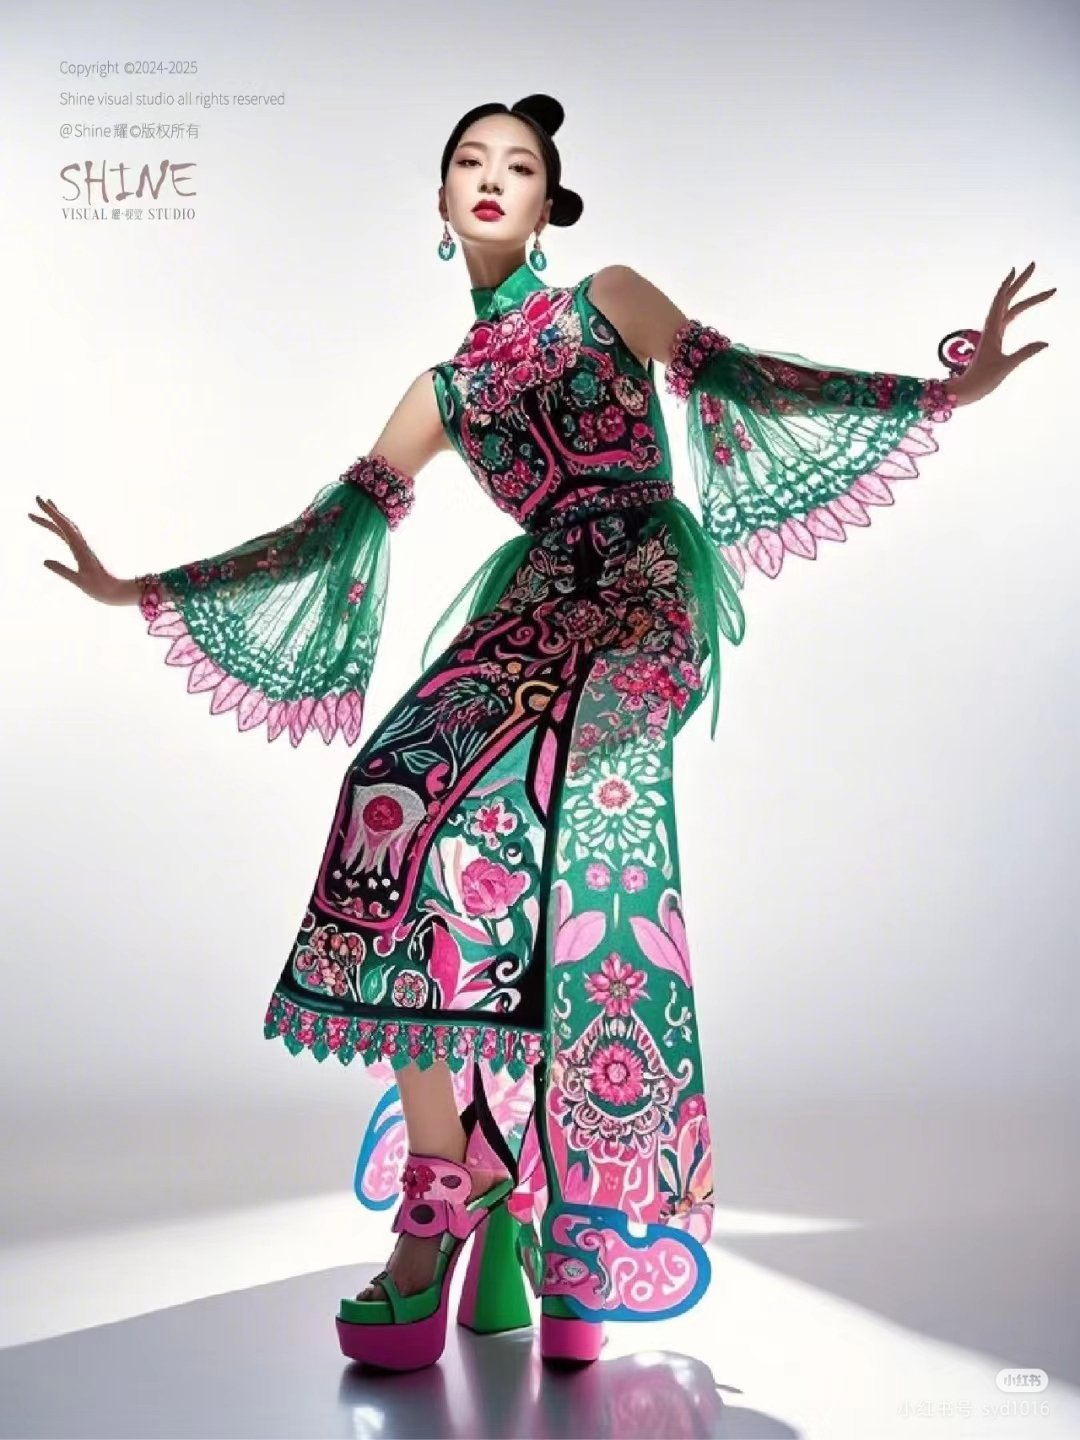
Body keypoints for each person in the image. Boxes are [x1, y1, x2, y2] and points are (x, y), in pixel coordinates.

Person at [31, 92, 1053, 1373]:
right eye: (470, 161)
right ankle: (457, 1185)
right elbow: (328, 534)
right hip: (531, 608)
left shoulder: (605, 298)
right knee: (394, 794)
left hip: (639, 595)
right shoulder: (444, 389)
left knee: (588, 867)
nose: (493, 177)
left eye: (519, 164)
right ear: (441, 200)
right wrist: (141, 587)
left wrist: (945, 389)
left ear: (547, 204)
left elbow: (740, 377)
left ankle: (581, 1223)